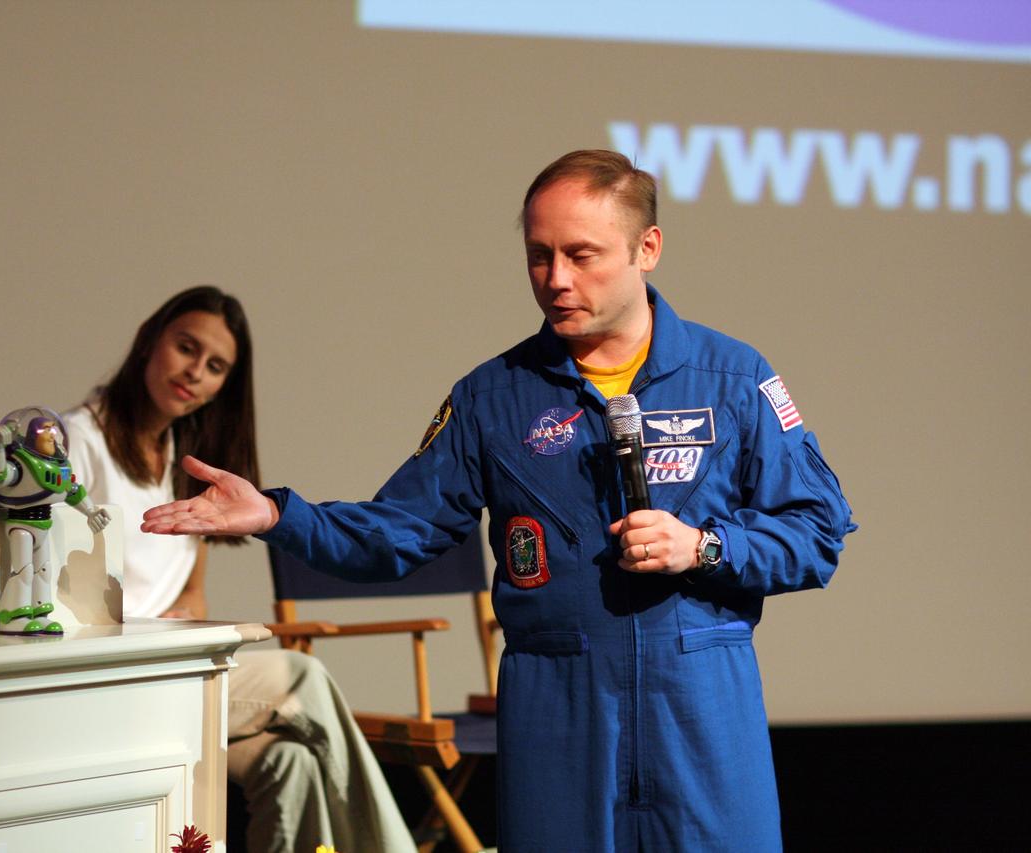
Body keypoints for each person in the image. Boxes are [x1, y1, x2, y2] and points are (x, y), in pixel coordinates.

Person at [141, 151, 856, 851]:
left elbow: (818, 529)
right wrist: (276, 514)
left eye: (582, 255)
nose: (555, 279)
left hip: (703, 705)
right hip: (559, 713)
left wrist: (705, 547)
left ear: (648, 248)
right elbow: (396, 533)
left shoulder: (730, 376)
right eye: (538, 255)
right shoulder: (493, 396)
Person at [60, 286, 415, 853]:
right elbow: (58, 602)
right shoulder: (76, 443)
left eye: (216, 366)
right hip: (108, 678)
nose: (196, 371)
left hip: (168, 671)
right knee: (304, 679)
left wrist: (182, 622)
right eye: (185, 347)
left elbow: (193, 595)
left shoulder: (186, 462)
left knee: (291, 761)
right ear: (151, 340)